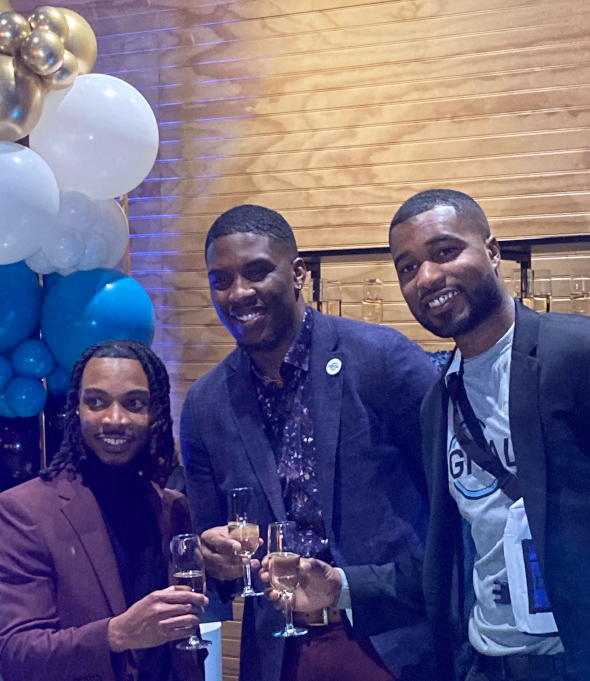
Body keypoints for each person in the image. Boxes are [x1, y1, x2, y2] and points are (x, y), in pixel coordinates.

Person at [388, 188, 590, 681]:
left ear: (494, 251)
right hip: (488, 663)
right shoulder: (438, 400)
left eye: (445, 252)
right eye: (408, 267)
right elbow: (457, 555)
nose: (428, 277)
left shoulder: (589, 357)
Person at [181, 204, 438, 681]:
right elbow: (213, 546)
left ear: (298, 273)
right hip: (279, 656)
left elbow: (454, 510)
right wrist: (212, 557)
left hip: (395, 645)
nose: (239, 293)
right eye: (221, 280)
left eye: (257, 272)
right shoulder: (206, 404)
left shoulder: (383, 361)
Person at [0, 339, 207, 681]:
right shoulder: (23, 511)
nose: (115, 419)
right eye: (97, 402)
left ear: (155, 413)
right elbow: (17, 655)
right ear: (77, 409)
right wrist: (116, 635)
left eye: (134, 403)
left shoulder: (172, 507)